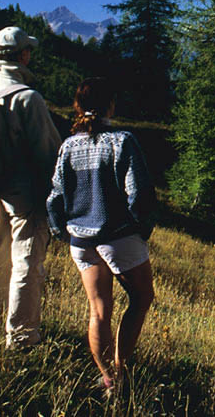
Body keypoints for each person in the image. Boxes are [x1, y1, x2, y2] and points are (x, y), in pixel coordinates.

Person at [47, 77, 156, 394]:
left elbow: (55, 197)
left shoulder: (69, 146)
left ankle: (108, 379)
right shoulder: (122, 141)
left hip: (81, 240)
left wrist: (62, 233)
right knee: (141, 298)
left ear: (78, 107)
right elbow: (140, 193)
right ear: (111, 105)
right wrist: (140, 228)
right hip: (118, 235)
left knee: (98, 312)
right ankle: (123, 371)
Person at [0, 26, 63, 349]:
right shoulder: (28, 98)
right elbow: (49, 151)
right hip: (24, 195)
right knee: (25, 261)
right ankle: (21, 338)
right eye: (29, 51)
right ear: (22, 55)